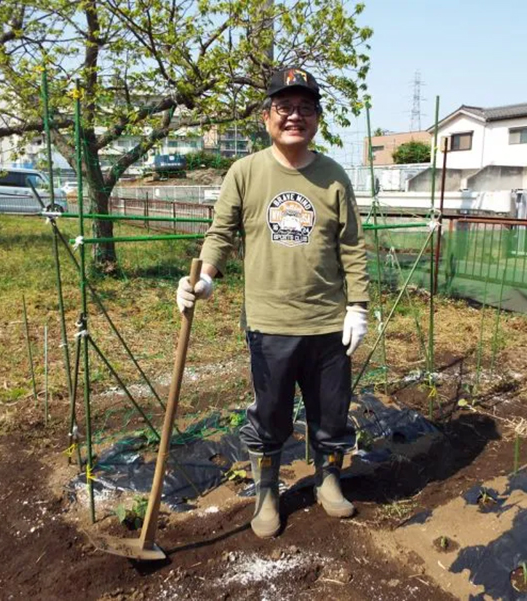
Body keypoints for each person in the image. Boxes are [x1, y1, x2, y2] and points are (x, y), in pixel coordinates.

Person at [176, 67, 369, 539]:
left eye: (305, 108)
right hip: (270, 322)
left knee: (331, 412)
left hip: (327, 322)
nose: (294, 117)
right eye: (284, 108)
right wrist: (204, 279)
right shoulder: (246, 172)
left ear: (318, 119)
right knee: (271, 414)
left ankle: (327, 478)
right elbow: (220, 235)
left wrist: (358, 306)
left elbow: (352, 246)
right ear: (266, 118)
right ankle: (267, 492)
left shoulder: (333, 177)